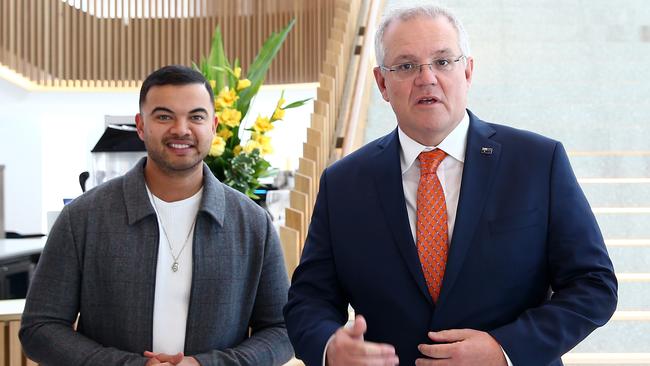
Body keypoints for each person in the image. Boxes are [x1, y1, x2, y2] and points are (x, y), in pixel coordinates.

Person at [284, 5, 617, 366]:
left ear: (468, 70)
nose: (427, 78)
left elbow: (593, 285)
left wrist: (504, 349)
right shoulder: (343, 183)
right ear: (382, 83)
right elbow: (308, 301)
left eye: (443, 62)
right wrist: (331, 348)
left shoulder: (537, 161)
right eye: (407, 66)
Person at [20, 65, 293, 366]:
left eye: (196, 117)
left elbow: (281, 331)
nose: (181, 129)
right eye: (164, 116)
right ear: (140, 125)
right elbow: (39, 329)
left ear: (214, 126)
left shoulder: (252, 224)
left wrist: (207, 365)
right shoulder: (83, 218)